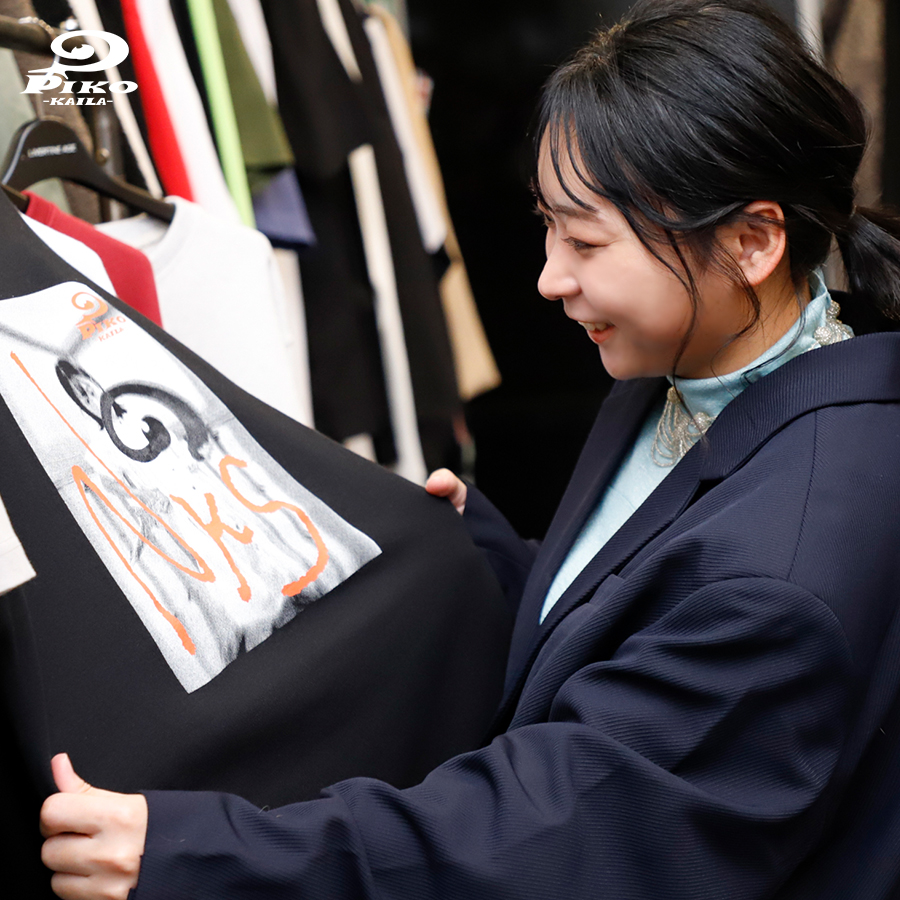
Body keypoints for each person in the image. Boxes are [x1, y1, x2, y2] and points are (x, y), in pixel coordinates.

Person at [38, 1, 900, 897]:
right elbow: (645, 609)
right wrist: (484, 554)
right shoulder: (685, 370)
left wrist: (202, 854)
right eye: (548, 225)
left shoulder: (785, 566)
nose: (550, 277)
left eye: (588, 240)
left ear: (751, 242)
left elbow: (561, 827)